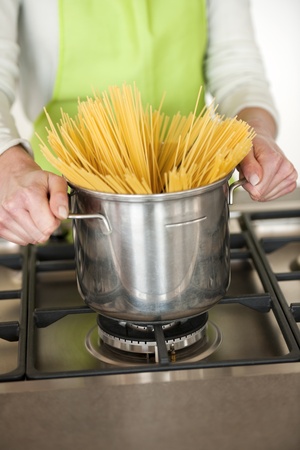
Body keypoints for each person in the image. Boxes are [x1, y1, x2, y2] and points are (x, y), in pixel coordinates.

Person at [0, 0, 298, 246]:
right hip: (69, 214)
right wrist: (10, 166)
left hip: (193, 215)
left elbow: (237, 68)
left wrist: (255, 134)